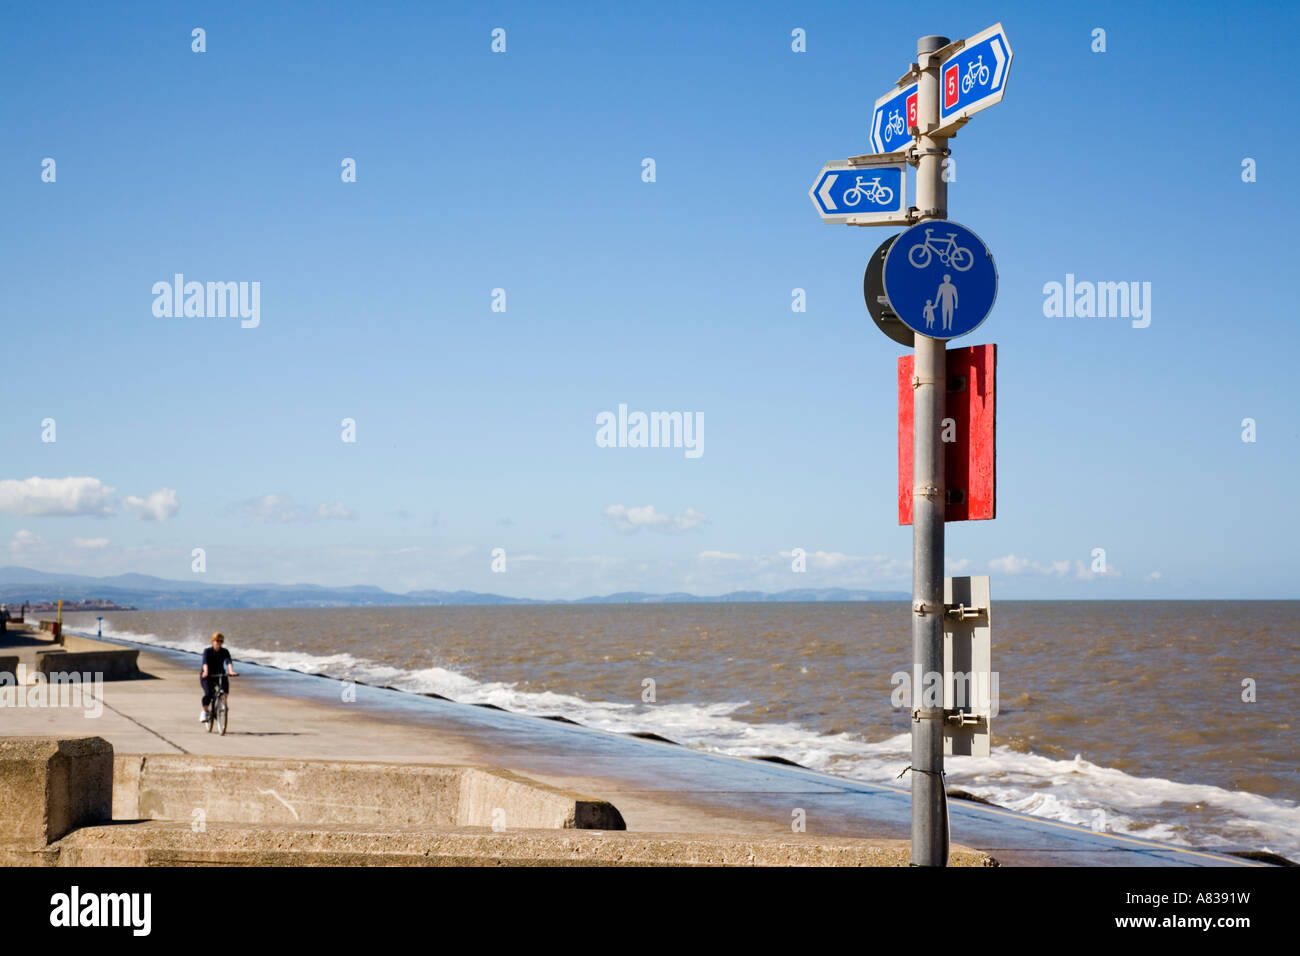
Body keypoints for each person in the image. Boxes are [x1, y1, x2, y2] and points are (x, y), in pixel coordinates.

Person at [200, 632, 238, 723]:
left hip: (220, 674)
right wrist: (205, 671)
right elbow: (204, 663)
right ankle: (204, 711)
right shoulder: (207, 651)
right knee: (209, 693)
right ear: (213, 641)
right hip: (207, 675)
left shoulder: (224, 651)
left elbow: (228, 661)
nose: (219, 643)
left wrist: (231, 671)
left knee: (225, 690)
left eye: (221, 641)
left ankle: (223, 705)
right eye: (217, 640)